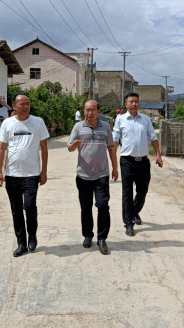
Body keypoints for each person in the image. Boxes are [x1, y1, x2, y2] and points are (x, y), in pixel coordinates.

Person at [0, 93, 49, 257]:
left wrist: (44, 171)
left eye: (27, 103)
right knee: (16, 210)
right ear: (14, 105)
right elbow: (1, 149)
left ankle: (32, 235)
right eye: (21, 104)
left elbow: (44, 149)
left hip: (31, 174)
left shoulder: (38, 122)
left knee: (29, 206)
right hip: (12, 175)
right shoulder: (7, 123)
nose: (25, 106)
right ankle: (21, 243)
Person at [68, 100, 118, 254]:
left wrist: (115, 168)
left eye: (92, 110)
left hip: (102, 174)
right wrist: (74, 146)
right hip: (83, 175)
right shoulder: (78, 127)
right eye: (87, 110)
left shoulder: (106, 127)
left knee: (103, 206)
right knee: (85, 207)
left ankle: (102, 238)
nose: (89, 113)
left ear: (98, 111)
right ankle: (88, 235)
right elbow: (69, 148)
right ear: (84, 111)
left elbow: (111, 149)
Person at [113, 93, 163, 237]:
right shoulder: (120, 119)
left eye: (136, 101)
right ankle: (129, 223)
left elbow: (153, 137)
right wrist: (114, 163)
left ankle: (134, 212)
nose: (134, 104)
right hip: (127, 161)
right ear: (126, 104)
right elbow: (115, 140)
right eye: (131, 101)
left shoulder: (146, 119)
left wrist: (158, 154)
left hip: (143, 161)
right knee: (127, 192)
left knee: (143, 190)